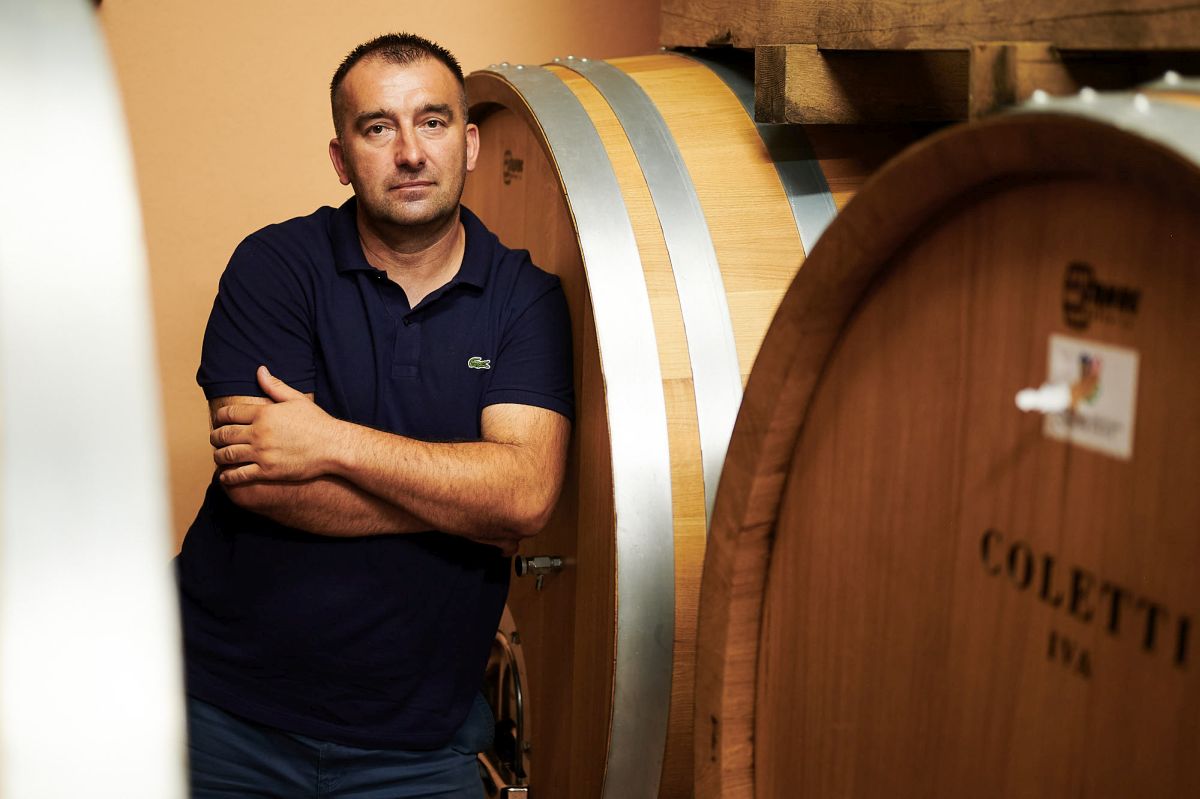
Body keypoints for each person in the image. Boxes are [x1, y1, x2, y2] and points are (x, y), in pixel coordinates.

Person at [176, 33, 573, 798]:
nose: (410, 152)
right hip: (222, 715)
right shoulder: (275, 266)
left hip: (420, 745)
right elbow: (261, 480)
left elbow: (524, 497)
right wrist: (469, 506)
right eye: (378, 127)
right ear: (341, 157)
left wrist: (332, 442)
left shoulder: (525, 300)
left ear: (470, 142)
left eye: (432, 122)